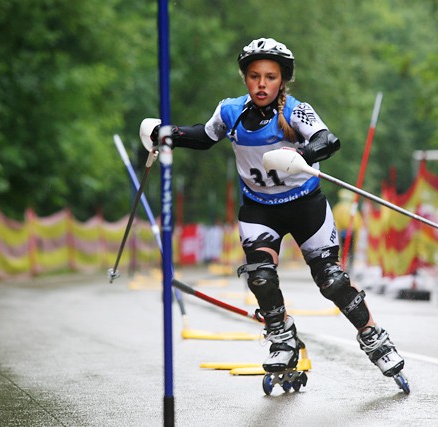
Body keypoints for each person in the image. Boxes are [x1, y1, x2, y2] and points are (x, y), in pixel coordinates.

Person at [150, 37, 404, 378]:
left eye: (270, 77)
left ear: (281, 80)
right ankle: (282, 338)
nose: (261, 84)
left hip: (305, 207)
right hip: (260, 209)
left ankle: (375, 338)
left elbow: (327, 140)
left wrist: (301, 155)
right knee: (260, 276)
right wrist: (166, 133)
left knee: (331, 281)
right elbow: (204, 137)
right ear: (245, 78)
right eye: (254, 76)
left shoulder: (297, 110)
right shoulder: (230, 111)